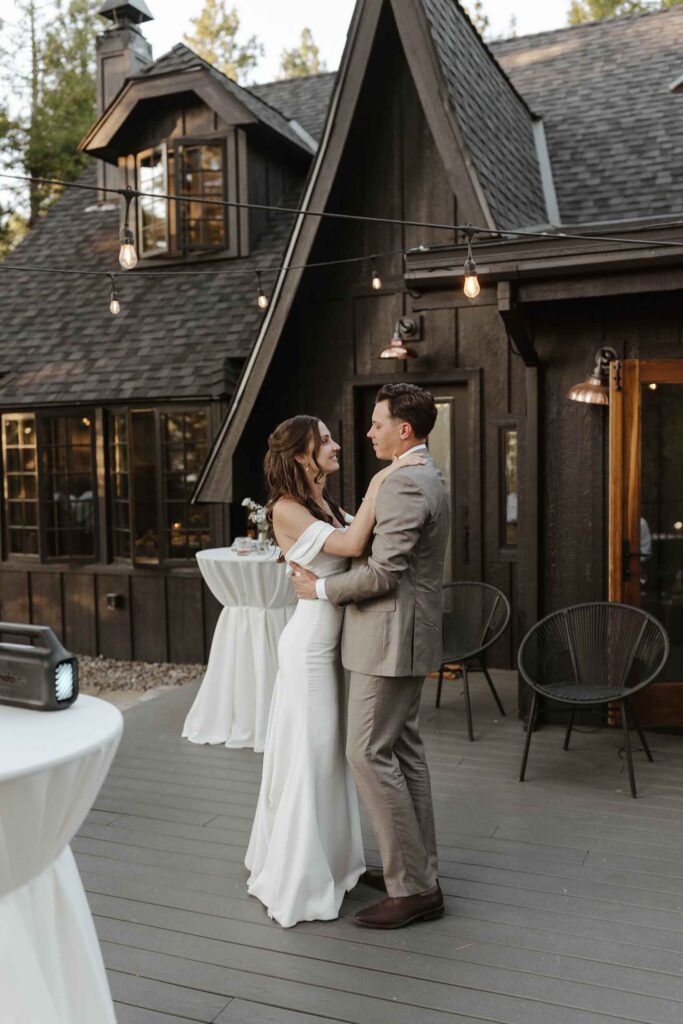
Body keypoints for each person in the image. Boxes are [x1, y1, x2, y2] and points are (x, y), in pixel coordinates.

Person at [245, 414, 425, 928]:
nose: (336, 444)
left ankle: (336, 862)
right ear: (301, 455)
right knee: (312, 753)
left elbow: (359, 546)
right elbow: (349, 548)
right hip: (308, 649)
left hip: (336, 647)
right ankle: (299, 875)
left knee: (331, 757)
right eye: (323, 440)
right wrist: (384, 481)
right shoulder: (285, 509)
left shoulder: (321, 504)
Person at [292, 382, 450, 929]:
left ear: (404, 430)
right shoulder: (419, 474)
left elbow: (385, 573)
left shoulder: (404, 482)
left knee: (366, 752)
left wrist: (317, 590)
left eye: (377, 423)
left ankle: (414, 890)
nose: (369, 431)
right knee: (402, 751)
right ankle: (416, 869)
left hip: (388, 639)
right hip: (402, 636)